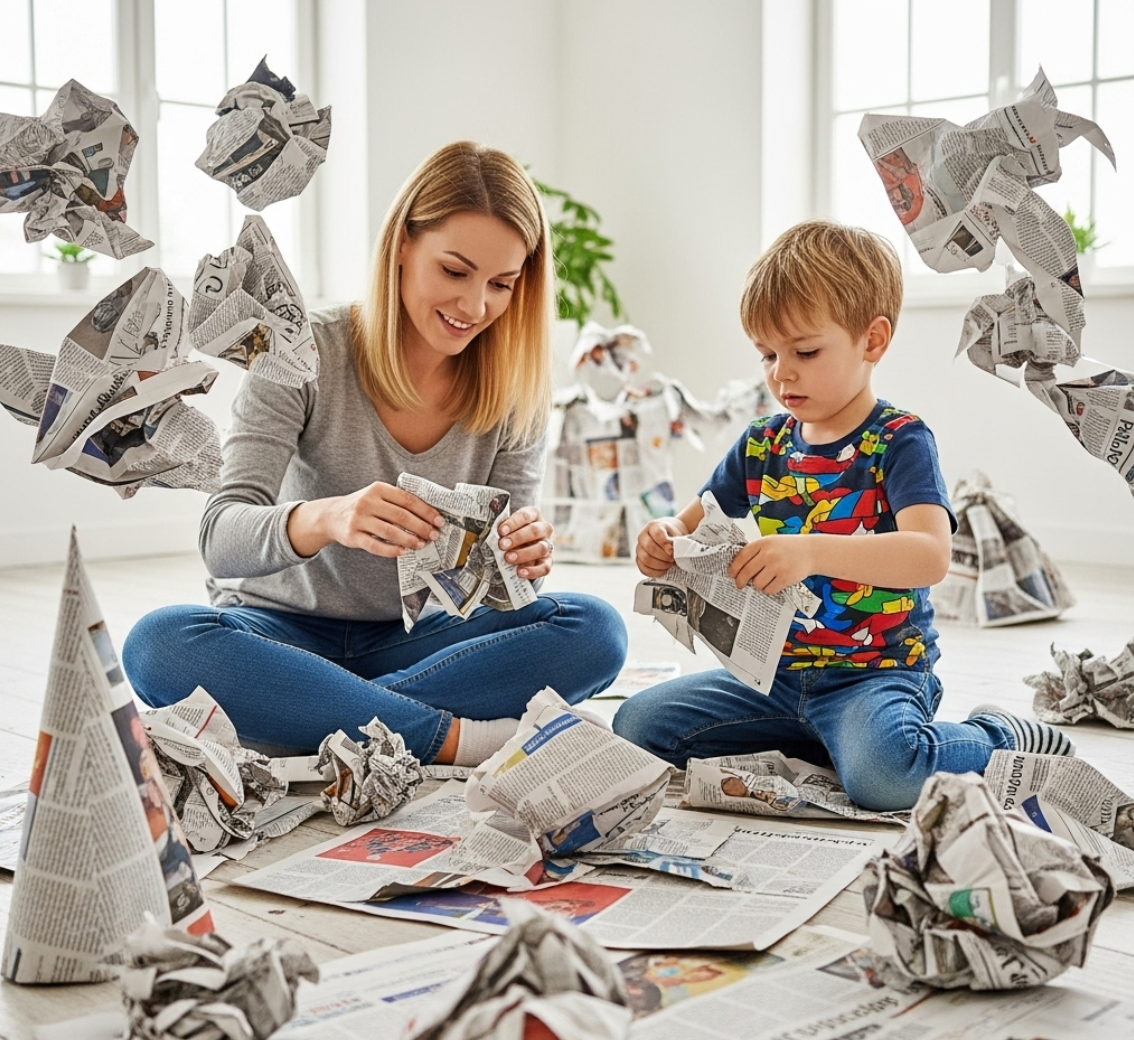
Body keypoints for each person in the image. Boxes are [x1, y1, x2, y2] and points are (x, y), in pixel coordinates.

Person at [123, 141, 627, 767]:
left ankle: (305, 716)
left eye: (501, 284)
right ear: (403, 246)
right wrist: (329, 518)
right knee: (159, 644)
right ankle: (444, 738)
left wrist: (522, 558)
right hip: (282, 633)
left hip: (426, 641)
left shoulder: (516, 387)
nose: (475, 307)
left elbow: (502, 593)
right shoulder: (302, 353)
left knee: (595, 630)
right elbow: (220, 537)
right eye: (454, 271)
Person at [612, 220, 1074, 811]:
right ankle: (824, 741)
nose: (782, 372)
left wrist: (809, 550)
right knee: (639, 726)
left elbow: (929, 556)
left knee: (886, 777)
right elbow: (690, 522)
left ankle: (997, 737)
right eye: (768, 355)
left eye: (805, 351)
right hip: (773, 678)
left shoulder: (899, 440)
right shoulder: (761, 443)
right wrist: (663, 537)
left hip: (875, 675)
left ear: (872, 341)